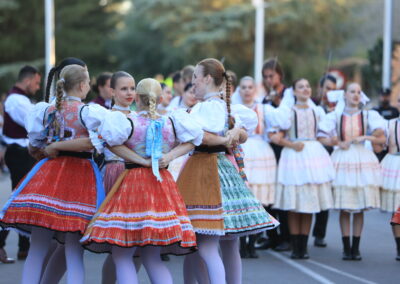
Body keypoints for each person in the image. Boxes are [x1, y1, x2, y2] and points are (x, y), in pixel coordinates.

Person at [81, 78, 203, 284]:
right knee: (152, 257)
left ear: (137, 97)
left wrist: (139, 160)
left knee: (122, 255)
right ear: (160, 97)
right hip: (161, 184)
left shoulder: (129, 121)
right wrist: (168, 157)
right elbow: (194, 140)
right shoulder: (171, 120)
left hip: (134, 184)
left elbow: (109, 143)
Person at [0, 64, 109, 284]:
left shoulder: (47, 110)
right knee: (73, 250)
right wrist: (62, 146)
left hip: (48, 173)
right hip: (79, 178)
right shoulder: (87, 111)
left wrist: (54, 148)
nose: (89, 87)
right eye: (88, 83)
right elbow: (94, 141)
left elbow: (33, 145)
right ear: (81, 85)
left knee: (38, 249)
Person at [177, 58, 279, 284]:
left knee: (202, 243)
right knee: (227, 243)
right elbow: (240, 132)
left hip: (204, 172)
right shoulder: (225, 106)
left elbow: (201, 136)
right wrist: (235, 134)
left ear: (207, 78)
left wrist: (230, 136)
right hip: (226, 170)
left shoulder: (204, 108)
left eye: (195, 77)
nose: (193, 82)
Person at [318, 83, 386, 261]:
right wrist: (336, 143)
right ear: (345, 95)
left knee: (359, 207)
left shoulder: (368, 115)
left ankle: (356, 247)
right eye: (352, 92)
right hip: (343, 158)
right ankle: (346, 247)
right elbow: (321, 136)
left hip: (362, 158)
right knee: (345, 207)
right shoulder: (336, 115)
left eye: (358, 92)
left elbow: (381, 135)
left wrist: (366, 137)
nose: (356, 95)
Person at [269, 79, 334, 259]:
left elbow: (323, 135)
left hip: (313, 158)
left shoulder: (318, 111)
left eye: (307, 86)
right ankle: (295, 245)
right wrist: (291, 144)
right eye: (301, 87)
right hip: (294, 158)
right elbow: (274, 136)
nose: (305, 89)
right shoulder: (288, 112)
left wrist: (333, 141)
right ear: (294, 92)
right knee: (294, 204)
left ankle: (303, 247)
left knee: (308, 203)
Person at [0, 65, 41, 263]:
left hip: (23, 154)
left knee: (24, 200)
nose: (37, 86)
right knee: (18, 200)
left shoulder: (20, 98)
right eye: (36, 82)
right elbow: (34, 124)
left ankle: (24, 248)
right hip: (19, 154)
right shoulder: (16, 99)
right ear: (28, 80)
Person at [238, 76, 277, 259]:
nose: (247, 90)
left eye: (250, 87)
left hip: (261, 153)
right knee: (242, 200)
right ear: (239, 89)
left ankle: (252, 243)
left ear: (255, 89)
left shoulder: (264, 108)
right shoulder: (233, 108)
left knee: (258, 199)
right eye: (243, 87)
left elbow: (278, 125)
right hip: (242, 151)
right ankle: (241, 243)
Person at [312, 74, 338, 248]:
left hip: (328, 152)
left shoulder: (337, 110)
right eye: (327, 89)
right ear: (320, 88)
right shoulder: (312, 104)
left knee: (324, 193)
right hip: (309, 153)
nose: (330, 93)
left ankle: (319, 233)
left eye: (333, 90)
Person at [379, 96, 400, 260]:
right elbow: (381, 145)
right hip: (393, 165)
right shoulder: (390, 124)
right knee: (396, 209)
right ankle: (399, 246)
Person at [374, 88, 399, 161]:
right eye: (383, 96)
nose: (384, 98)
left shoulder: (395, 110)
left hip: (393, 140)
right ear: (380, 96)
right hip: (380, 139)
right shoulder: (375, 110)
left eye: (386, 96)